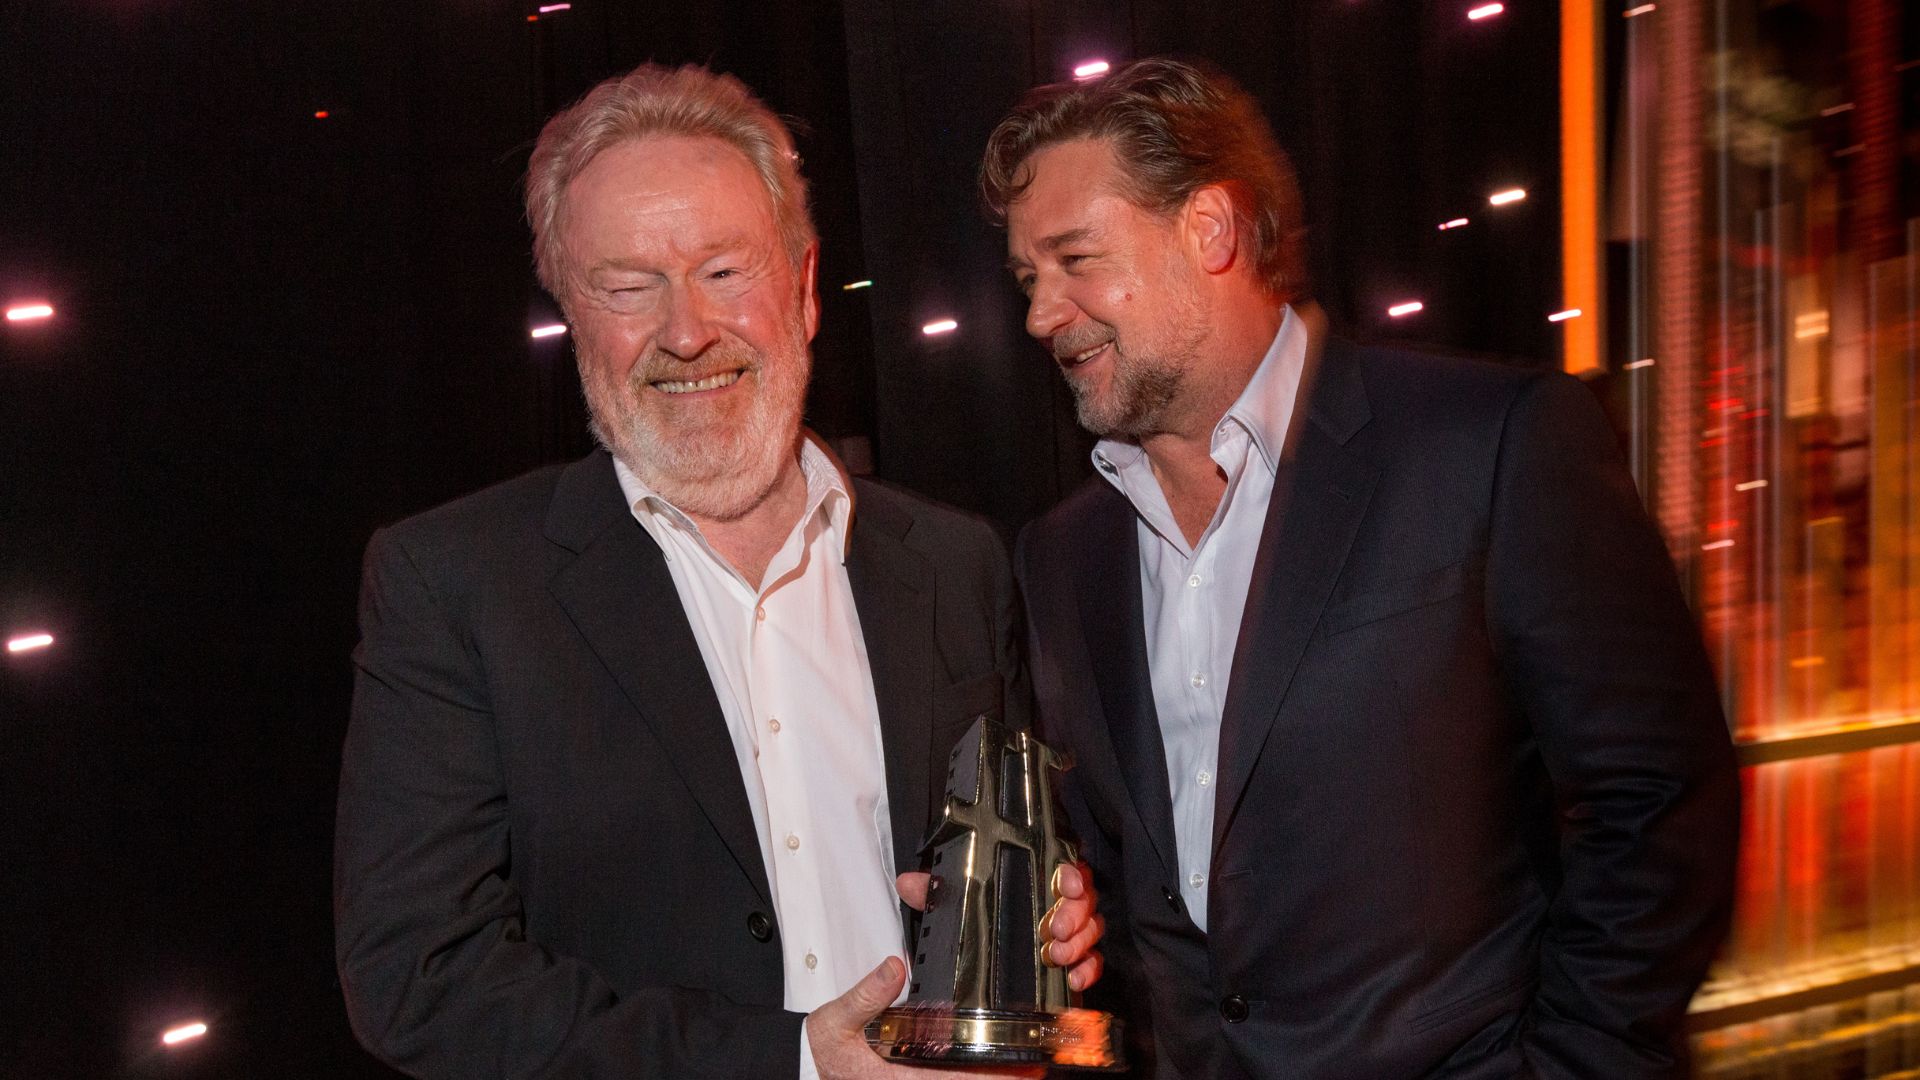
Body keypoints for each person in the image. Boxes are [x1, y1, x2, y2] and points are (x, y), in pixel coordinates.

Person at [334, 63, 1099, 1080]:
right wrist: (793, 1063)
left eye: (724, 271)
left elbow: (982, 869)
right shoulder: (455, 585)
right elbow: (417, 978)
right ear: (570, 313)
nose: (687, 330)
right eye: (626, 286)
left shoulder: (957, 561)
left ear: (806, 287)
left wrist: (1041, 915)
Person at [984, 58, 1739, 1079]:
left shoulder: (1489, 447)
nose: (1041, 313)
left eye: (1076, 259)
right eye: (1030, 278)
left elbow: (1658, 801)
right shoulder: (1063, 556)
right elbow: (1132, 888)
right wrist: (1059, 901)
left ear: (1209, 229)